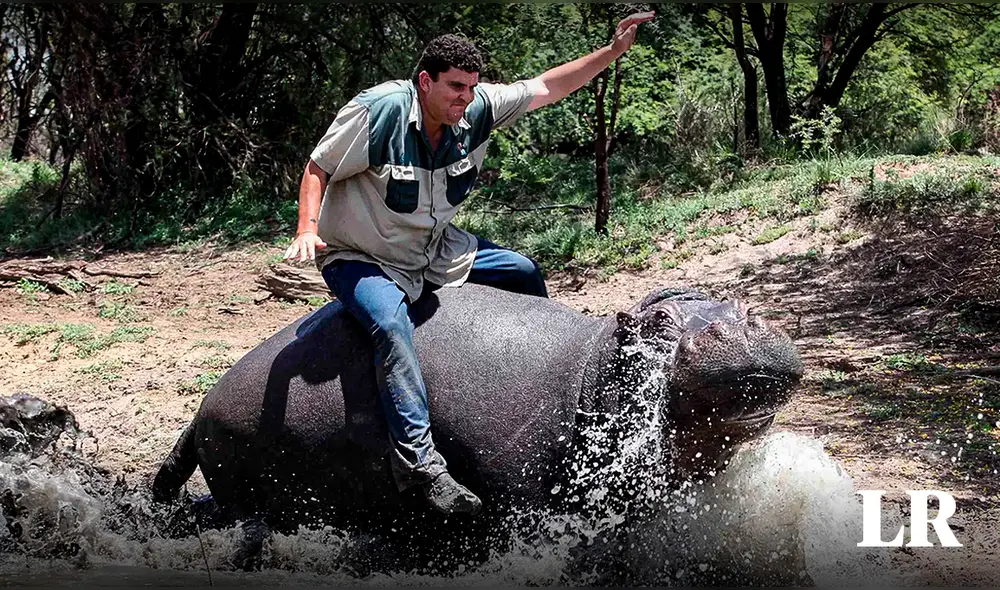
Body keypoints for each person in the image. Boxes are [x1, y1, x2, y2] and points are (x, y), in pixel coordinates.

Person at [284, 11, 656, 516]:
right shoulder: (379, 112)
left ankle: (544, 392)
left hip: (435, 250)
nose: (464, 98)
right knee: (390, 325)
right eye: (455, 88)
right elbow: (317, 167)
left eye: (471, 88)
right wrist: (307, 228)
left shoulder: (476, 109)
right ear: (424, 82)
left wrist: (612, 52)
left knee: (522, 271)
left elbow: (548, 86)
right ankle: (420, 464)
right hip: (363, 254)